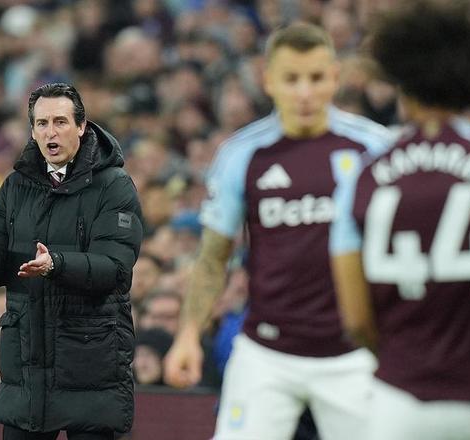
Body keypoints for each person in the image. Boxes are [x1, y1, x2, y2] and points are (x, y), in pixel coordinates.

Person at [164, 23, 391, 439]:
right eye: (291, 79)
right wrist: (189, 334)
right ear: (269, 81)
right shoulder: (241, 154)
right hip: (266, 353)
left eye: (316, 78)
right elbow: (214, 257)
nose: (304, 92)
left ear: (335, 77)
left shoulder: (374, 148)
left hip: (354, 354)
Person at [329, 1, 470, 439]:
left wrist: (403, 358)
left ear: (401, 84)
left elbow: (356, 320)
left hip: (400, 400)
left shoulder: (361, 178)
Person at [0, 83, 143, 440]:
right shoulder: (16, 186)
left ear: (81, 126)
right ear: (32, 131)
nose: (51, 132)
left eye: (61, 122)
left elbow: (114, 268)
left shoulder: (114, 185)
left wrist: (57, 265)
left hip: (90, 361)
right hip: (27, 362)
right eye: (42, 123)